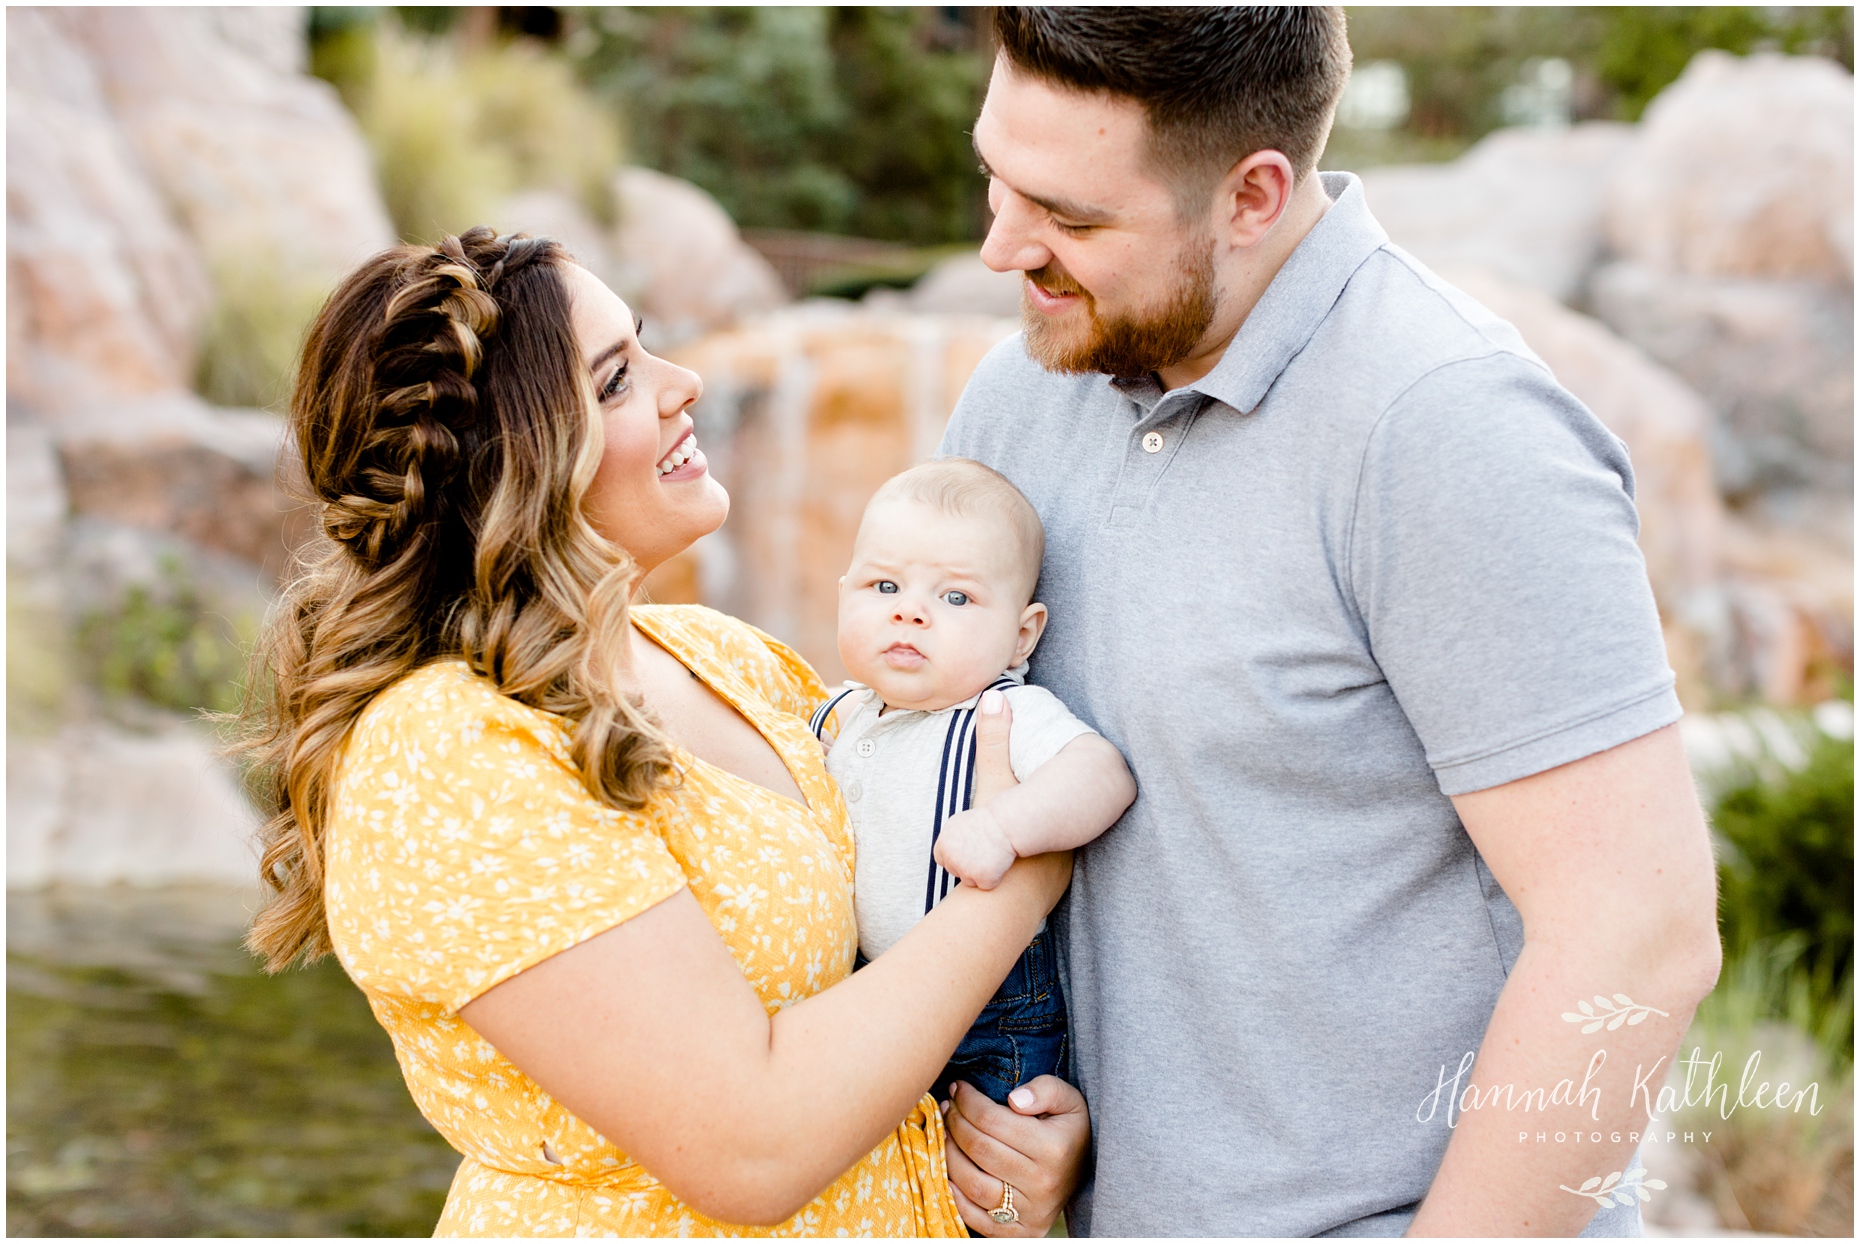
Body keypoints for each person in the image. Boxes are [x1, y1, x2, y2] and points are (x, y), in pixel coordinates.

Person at [937, 7, 1722, 1236]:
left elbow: (1638, 936)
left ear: (1253, 195)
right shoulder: (1017, 397)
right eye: (993, 176)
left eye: (1071, 217)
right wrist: (1031, 1123)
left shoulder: (1452, 428)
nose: (999, 246)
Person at [237, 227, 1084, 1237]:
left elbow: (879, 985)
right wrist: (1029, 868)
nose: (682, 382)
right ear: (518, 458)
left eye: (646, 345)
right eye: (617, 379)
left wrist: (1008, 1144)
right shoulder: (446, 751)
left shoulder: (721, 655)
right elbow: (753, 1145)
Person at [817, 458, 1137, 1109]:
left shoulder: (1004, 710)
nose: (910, 613)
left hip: (988, 1017)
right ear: (842, 594)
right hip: (875, 997)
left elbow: (1103, 775)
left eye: (954, 598)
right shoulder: (844, 712)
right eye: (883, 588)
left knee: (979, 1170)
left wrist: (1004, 825)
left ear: (1021, 636)